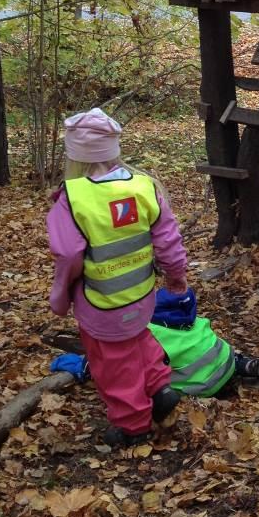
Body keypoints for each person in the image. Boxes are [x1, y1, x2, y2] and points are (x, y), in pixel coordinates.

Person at [47, 108, 187, 447]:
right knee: (139, 340)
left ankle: (132, 424)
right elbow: (168, 240)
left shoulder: (73, 199)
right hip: (140, 295)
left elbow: (67, 256)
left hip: (102, 303)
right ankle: (159, 388)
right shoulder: (143, 187)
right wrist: (176, 277)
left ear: (75, 157)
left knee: (112, 364)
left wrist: (61, 296)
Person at [149, 287, 259, 397]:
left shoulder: (151, 333)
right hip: (227, 361)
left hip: (202, 386)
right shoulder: (192, 320)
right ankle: (244, 364)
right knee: (210, 347)